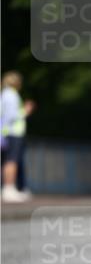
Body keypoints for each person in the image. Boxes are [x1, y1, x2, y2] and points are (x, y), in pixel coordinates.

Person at [1, 71, 35, 203]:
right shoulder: (11, 95)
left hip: (7, 132)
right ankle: (9, 189)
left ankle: (8, 188)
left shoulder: (5, 94)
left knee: (8, 160)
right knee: (12, 161)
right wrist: (25, 111)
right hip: (13, 132)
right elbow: (11, 116)